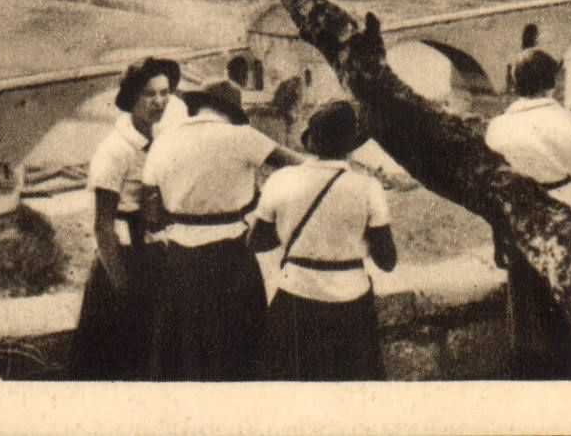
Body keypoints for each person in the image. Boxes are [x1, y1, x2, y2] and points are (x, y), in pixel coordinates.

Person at [140, 78, 301, 380]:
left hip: (179, 259)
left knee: (184, 351)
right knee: (237, 351)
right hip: (231, 254)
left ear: (198, 105)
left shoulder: (162, 141)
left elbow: (151, 216)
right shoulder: (241, 136)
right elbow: (299, 167)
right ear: (229, 110)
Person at [253, 100, 397, 381]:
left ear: (312, 143)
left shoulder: (281, 179)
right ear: (350, 145)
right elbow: (387, 261)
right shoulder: (367, 187)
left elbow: (258, 241)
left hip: (295, 297)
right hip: (350, 303)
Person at [483, 48, 571, 380]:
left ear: (515, 84)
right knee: (569, 306)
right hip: (568, 215)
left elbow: (493, 192)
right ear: (552, 82)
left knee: (527, 310)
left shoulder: (498, 126)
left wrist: (497, 239)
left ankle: (532, 378)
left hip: (520, 221)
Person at [69, 56, 180, 380]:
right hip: (121, 259)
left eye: (164, 93)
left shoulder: (160, 140)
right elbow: (102, 226)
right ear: (132, 97)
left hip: (151, 255)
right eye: (150, 94)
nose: (159, 101)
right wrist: (121, 285)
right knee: (117, 350)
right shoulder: (115, 149)